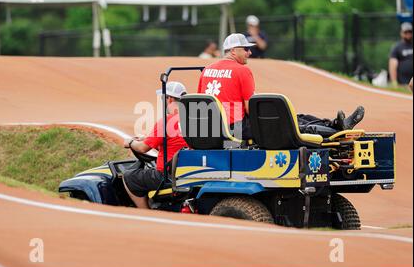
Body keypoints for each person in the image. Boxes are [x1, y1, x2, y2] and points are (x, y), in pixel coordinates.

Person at [197, 33, 365, 140]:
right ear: (233, 51)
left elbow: (200, 102)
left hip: (215, 128)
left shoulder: (206, 70)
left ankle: (335, 124)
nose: (250, 53)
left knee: (296, 116)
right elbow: (250, 109)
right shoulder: (242, 71)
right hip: (237, 128)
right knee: (289, 122)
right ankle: (337, 130)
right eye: (246, 49)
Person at [122, 81, 188, 209]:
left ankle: (145, 214)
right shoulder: (192, 119)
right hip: (186, 171)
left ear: (169, 99)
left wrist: (130, 142)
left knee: (129, 177)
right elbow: (174, 140)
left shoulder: (166, 121)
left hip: (167, 175)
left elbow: (142, 148)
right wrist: (146, 138)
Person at [389, 22, 413, 86]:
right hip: (402, 83)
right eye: (406, 32)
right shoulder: (397, 47)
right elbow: (392, 65)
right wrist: (394, 82)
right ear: (401, 33)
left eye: (410, 32)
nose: (408, 34)